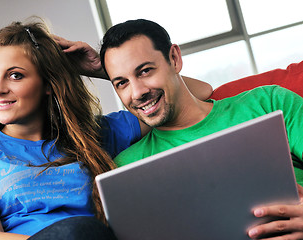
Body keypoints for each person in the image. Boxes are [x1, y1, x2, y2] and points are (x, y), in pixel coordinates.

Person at [0, 18, 212, 240]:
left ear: (49, 83)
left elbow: (197, 92)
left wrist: (103, 68)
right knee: (76, 231)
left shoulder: (91, 137)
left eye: (15, 75)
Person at [99, 19, 303, 239]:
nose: (137, 92)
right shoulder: (124, 169)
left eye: (145, 71)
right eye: (122, 83)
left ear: (174, 59)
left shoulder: (270, 103)